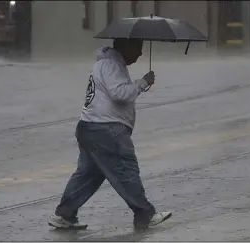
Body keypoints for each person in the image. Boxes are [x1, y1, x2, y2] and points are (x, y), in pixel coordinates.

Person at [48, 38, 172, 230]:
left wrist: (140, 84)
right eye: (138, 48)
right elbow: (120, 94)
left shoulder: (106, 64)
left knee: (88, 175)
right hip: (106, 129)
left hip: (90, 126)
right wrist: (142, 82)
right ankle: (145, 214)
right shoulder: (111, 65)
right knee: (125, 171)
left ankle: (65, 214)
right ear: (126, 46)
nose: (140, 54)